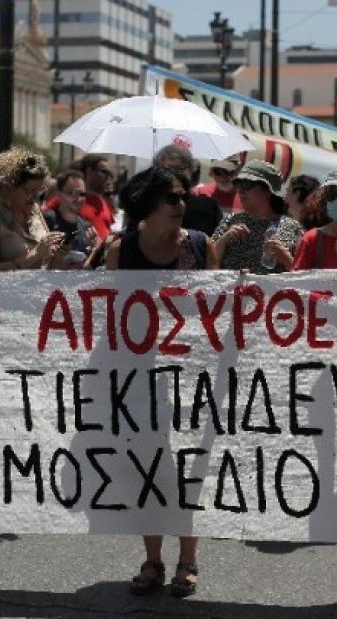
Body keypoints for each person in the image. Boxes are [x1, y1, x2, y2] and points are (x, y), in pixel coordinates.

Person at [105, 166, 218, 598]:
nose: (180, 204)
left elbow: (215, 310)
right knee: (148, 466)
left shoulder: (199, 246)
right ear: (146, 204)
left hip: (191, 376)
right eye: (171, 197)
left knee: (188, 468)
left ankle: (188, 559)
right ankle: (152, 558)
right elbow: (110, 312)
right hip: (139, 375)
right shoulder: (122, 250)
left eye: (182, 196)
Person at [0, 148, 68, 271]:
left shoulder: (35, 210)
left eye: (38, 192)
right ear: (8, 187)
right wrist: (34, 255)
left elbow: (45, 261)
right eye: (29, 191)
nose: (34, 198)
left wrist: (57, 256)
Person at [212, 160, 303, 273]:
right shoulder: (229, 221)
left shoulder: (293, 228)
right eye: (239, 184)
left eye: (247, 184)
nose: (240, 191)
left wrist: (286, 259)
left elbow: (305, 276)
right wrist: (223, 240)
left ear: (268, 190)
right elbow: (208, 265)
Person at [153, 145, 222, 237]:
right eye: (167, 169)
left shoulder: (208, 207)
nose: (173, 174)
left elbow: (215, 242)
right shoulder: (146, 205)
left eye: (179, 169)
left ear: (191, 171)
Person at [42, 169, 98, 260]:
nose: (78, 199)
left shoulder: (86, 227)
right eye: (71, 193)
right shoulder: (46, 220)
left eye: (82, 194)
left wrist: (94, 249)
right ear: (59, 194)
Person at [77, 155, 116, 239]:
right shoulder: (71, 200)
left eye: (110, 174)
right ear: (89, 172)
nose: (108, 177)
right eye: (104, 172)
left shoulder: (103, 202)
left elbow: (108, 232)